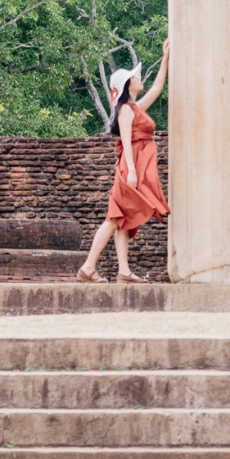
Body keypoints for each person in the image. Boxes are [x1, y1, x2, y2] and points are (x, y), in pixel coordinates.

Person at [77, 46, 170, 284]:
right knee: (114, 218)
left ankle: (123, 271)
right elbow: (126, 142)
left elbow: (158, 88)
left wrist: (166, 57)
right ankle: (88, 267)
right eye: (136, 78)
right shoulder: (126, 110)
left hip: (136, 165)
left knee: (122, 220)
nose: (140, 80)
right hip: (131, 167)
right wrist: (131, 170)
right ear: (128, 84)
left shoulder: (135, 108)